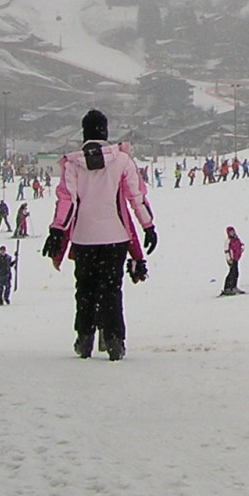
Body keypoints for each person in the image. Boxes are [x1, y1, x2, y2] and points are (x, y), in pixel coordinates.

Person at [42, 109, 156, 362]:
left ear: (84, 133)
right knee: (112, 289)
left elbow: (66, 200)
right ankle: (114, 339)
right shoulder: (123, 161)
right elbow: (135, 197)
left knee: (84, 289)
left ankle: (84, 338)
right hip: (115, 236)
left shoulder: (73, 163)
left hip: (84, 237)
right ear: (105, 131)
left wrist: (57, 230)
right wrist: (148, 226)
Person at [221, 226, 243, 295]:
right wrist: (229, 259)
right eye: (230, 232)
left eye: (233, 232)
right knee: (232, 273)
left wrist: (242, 248)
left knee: (236, 273)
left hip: (236, 258)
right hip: (231, 259)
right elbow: (226, 251)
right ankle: (227, 287)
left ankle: (234, 286)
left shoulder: (237, 239)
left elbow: (241, 245)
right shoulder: (228, 241)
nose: (232, 233)